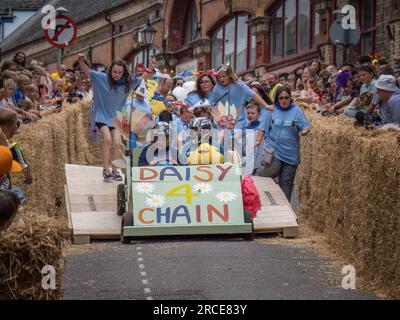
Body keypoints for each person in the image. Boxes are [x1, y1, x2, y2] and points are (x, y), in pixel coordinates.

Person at [78, 54, 132, 182]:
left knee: (117, 143)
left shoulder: (126, 83)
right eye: (114, 71)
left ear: (123, 73)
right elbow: (87, 71)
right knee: (107, 139)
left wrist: (150, 68)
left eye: (119, 72)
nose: (116, 74)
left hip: (117, 118)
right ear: (110, 71)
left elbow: (142, 78)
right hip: (101, 116)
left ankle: (115, 171)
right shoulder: (101, 78)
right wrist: (81, 61)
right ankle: (105, 170)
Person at [256, 86, 310, 201]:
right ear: (277, 99)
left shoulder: (297, 111)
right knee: (272, 170)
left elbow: (304, 125)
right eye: (281, 98)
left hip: (291, 153)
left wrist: (305, 130)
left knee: (286, 183)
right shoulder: (271, 110)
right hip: (274, 150)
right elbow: (262, 127)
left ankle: (285, 207)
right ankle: (258, 172)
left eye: (286, 98)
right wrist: (258, 140)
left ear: (290, 98)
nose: (284, 100)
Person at [210, 64, 273, 129]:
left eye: (224, 76)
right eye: (219, 77)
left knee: (236, 138)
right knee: (225, 138)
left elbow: (253, 95)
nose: (221, 79)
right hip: (223, 123)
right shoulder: (216, 88)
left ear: (229, 75)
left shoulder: (239, 85)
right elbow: (213, 105)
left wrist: (266, 105)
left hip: (239, 122)